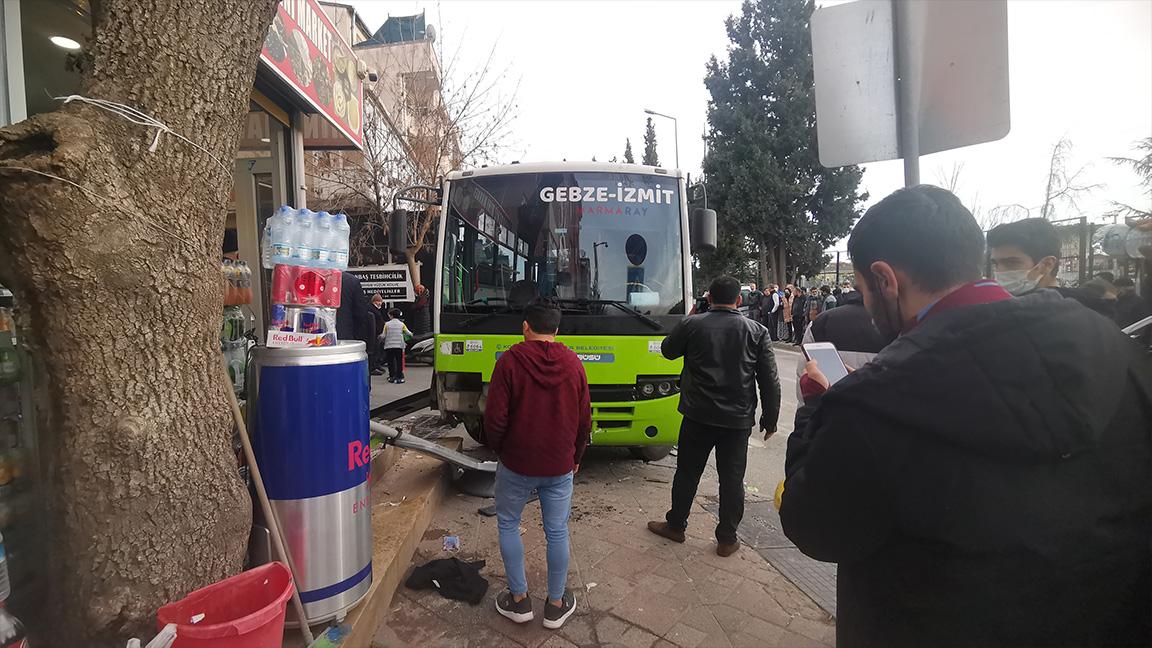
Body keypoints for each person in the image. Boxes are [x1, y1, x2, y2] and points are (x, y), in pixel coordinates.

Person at [781, 185, 1152, 648]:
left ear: (884, 278)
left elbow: (816, 528)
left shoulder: (874, 404)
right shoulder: (1114, 345)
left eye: (861, 290)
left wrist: (818, 408)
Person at [648, 276, 781, 556]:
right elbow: (769, 380)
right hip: (737, 420)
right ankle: (726, 538)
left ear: (708, 299)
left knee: (687, 473)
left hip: (697, 415)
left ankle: (676, 526)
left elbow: (667, 351)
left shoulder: (693, 324)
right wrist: (770, 419)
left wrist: (692, 318)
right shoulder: (756, 331)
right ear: (739, 301)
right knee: (732, 479)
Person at [484, 299, 590, 630]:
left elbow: (494, 418)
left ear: (525, 326)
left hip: (516, 463)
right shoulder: (573, 364)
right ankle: (556, 606)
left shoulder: (509, 362)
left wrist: (503, 451)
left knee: (508, 523)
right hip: (559, 465)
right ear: (556, 330)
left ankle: (519, 602)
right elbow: (585, 419)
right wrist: (576, 457)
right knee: (557, 530)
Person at [793, 282, 887, 402]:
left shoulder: (821, 323)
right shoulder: (895, 326)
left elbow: (805, 378)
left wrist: (807, 412)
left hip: (829, 411)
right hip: (876, 413)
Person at [379, 308, 411, 383]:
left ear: (391, 316)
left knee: (390, 361)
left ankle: (392, 376)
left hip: (389, 346)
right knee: (399, 361)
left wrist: (379, 337)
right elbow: (408, 333)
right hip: (399, 346)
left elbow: (383, 335)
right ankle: (399, 376)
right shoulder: (402, 324)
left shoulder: (387, 324)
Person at [369, 294, 388, 376]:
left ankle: (376, 365)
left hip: (377, 333)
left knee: (378, 351)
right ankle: (373, 368)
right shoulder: (372, 309)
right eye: (379, 302)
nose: (381, 303)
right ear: (375, 301)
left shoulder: (373, 309)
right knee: (374, 351)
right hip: (374, 333)